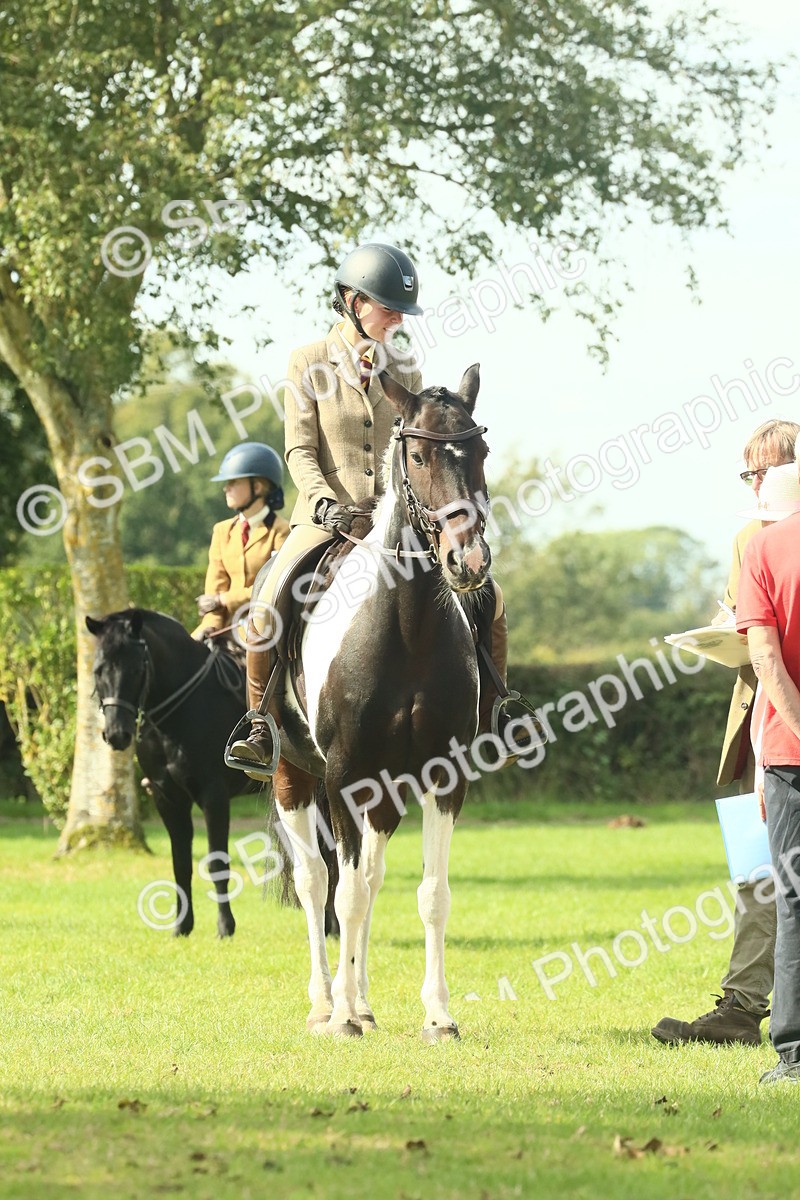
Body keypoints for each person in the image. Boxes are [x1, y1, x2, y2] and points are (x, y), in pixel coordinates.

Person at [228, 241, 534, 776]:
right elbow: (300, 448)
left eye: (400, 312)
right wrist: (323, 505)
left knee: (488, 594)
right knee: (267, 603)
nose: (396, 320)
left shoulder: (406, 366)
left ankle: (495, 709)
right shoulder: (307, 362)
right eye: (388, 308)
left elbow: (417, 447)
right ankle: (260, 724)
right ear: (352, 300)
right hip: (326, 519)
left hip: (396, 519)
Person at [651, 419, 800, 1047]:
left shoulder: (763, 539)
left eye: (764, 470)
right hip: (755, 730)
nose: (755, 482)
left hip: (780, 729)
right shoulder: (749, 536)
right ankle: (741, 1003)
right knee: (752, 868)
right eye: (748, 473)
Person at [735, 443, 800, 1084]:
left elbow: (765, 659)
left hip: (789, 752)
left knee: (793, 901)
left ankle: (794, 1053)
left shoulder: (762, 549)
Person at [191, 441, 291, 643]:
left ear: (257, 486)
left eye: (233, 482)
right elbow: (214, 593)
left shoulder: (282, 531)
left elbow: (272, 587)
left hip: (265, 630)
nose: (225, 488)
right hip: (224, 630)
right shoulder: (221, 531)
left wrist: (224, 599)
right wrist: (210, 627)